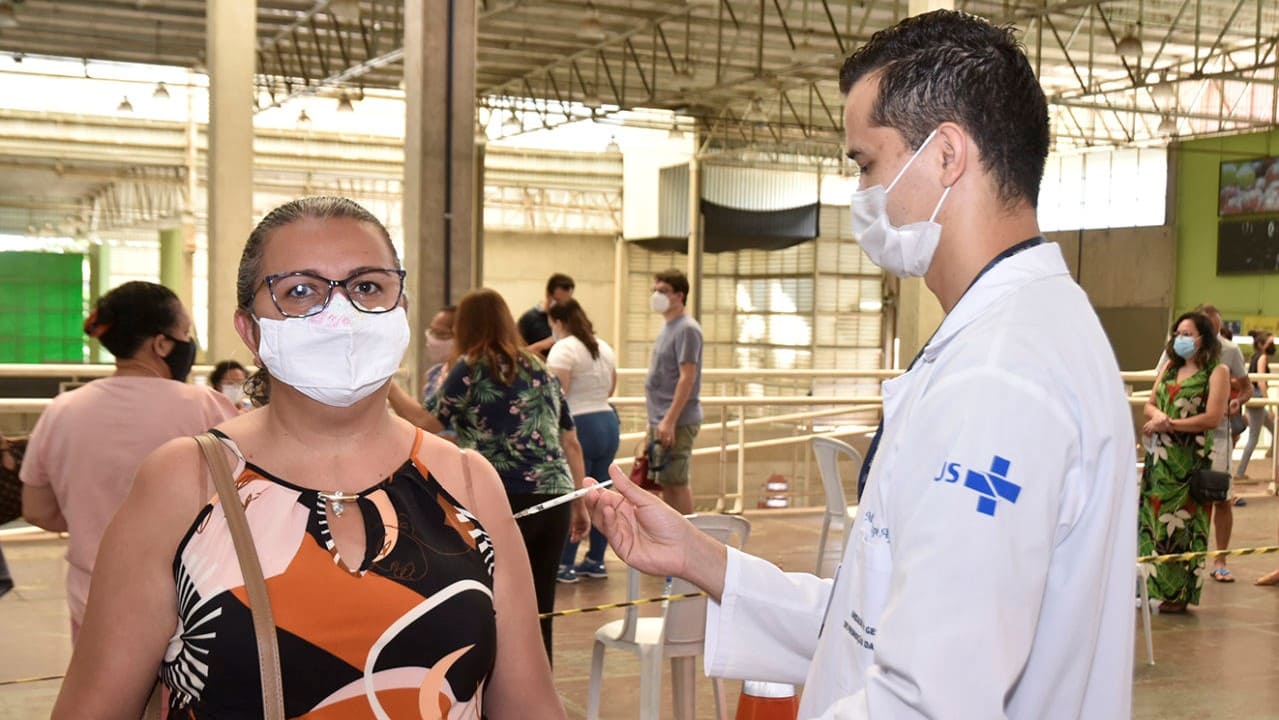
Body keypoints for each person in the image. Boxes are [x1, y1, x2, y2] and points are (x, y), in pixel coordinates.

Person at [584, 11, 1137, 717]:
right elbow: (876, 623)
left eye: (866, 163)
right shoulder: (1019, 335)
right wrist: (701, 559)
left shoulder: (999, 378)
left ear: (945, 156)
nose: (862, 196)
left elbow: (929, 698)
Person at [52, 198, 564, 718]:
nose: (341, 313)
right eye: (301, 291)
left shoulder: (467, 481)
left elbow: (528, 703)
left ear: (401, 312)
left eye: (367, 286)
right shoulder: (186, 482)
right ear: (250, 331)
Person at [19, 281, 237, 642]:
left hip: (92, 599)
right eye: (184, 332)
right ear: (162, 344)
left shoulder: (63, 410)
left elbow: (38, 510)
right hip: (190, 603)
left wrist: (95, 523)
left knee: (106, 696)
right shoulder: (206, 406)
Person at [387, 287, 589, 662]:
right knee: (540, 604)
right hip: (556, 496)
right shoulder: (538, 366)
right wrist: (579, 502)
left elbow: (425, 422)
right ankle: (538, 692)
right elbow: (571, 441)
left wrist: (388, 385)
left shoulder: (472, 365)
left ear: (466, 325)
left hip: (503, 497)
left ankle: (493, 691)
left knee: (493, 600)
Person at [1139, 312, 1229, 613]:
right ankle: (1150, 586)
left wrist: (1171, 424)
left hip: (1189, 463)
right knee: (1154, 525)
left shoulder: (1217, 371)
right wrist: (1158, 417)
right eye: (1178, 333)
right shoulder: (1168, 367)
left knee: (1183, 527)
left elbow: (1213, 417)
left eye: (1187, 334)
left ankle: (1177, 594)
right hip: (1159, 461)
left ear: (1203, 338)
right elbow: (1150, 404)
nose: (1181, 339)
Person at [546, 299, 619, 583]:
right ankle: (596, 561)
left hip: (579, 426)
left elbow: (558, 394)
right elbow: (612, 387)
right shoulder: (603, 346)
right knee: (601, 494)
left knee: (575, 494)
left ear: (559, 323)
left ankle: (565, 563)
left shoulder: (563, 349)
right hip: (607, 422)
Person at [1198, 304, 1250, 581]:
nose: (1213, 334)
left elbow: (1247, 386)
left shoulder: (1230, 351)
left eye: (1217, 329)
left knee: (1221, 499)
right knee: (1186, 500)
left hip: (1218, 435)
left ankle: (1220, 560)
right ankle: (1186, 560)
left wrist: (1237, 401)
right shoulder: (1177, 350)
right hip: (1185, 435)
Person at [644, 268, 702, 515]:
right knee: (665, 482)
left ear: (679, 295)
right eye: (655, 290)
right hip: (660, 418)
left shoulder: (687, 329)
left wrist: (669, 420)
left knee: (676, 483)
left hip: (675, 419)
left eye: (663, 291)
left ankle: (689, 537)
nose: (657, 295)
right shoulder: (668, 326)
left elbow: (687, 378)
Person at [1235, 330, 1275, 480]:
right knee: (1254, 438)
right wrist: (1269, 404)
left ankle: (1271, 455)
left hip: (1255, 398)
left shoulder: (1255, 357)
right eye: (1270, 343)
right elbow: (1261, 381)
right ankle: (1240, 472)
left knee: (1275, 429)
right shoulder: (1262, 357)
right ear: (1261, 345)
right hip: (1258, 398)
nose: (1272, 346)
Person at [518, 273, 575, 357]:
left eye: (567, 301)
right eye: (558, 300)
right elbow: (517, 354)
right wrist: (544, 344)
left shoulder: (570, 319)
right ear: (548, 295)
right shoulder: (529, 319)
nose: (563, 305)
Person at [422, 304, 458, 402]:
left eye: (441, 334)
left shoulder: (465, 378)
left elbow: (426, 417)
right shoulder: (433, 375)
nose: (432, 339)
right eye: (431, 332)